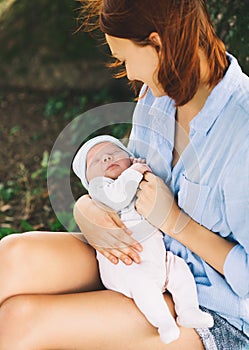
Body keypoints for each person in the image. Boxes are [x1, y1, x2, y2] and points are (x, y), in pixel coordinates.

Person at [0, 0, 248, 349]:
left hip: (213, 308)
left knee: (20, 323)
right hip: (137, 254)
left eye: (126, 59)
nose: (129, 74)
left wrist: (176, 222)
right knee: (12, 259)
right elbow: (126, 178)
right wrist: (87, 208)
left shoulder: (242, 129)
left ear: (157, 43)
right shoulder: (157, 98)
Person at [72, 134, 214, 344]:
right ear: (88, 181)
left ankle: (188, 310)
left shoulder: (135, 178)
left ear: (129, 156)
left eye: (113, 152)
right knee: (142, 285)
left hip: (158, 259)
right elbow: (119, 196)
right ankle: (163, 322)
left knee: (179, 268)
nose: (106, 159)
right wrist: (134, 171)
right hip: (127, 266)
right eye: (95, 161)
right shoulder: (100, 189)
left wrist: (137, 172)